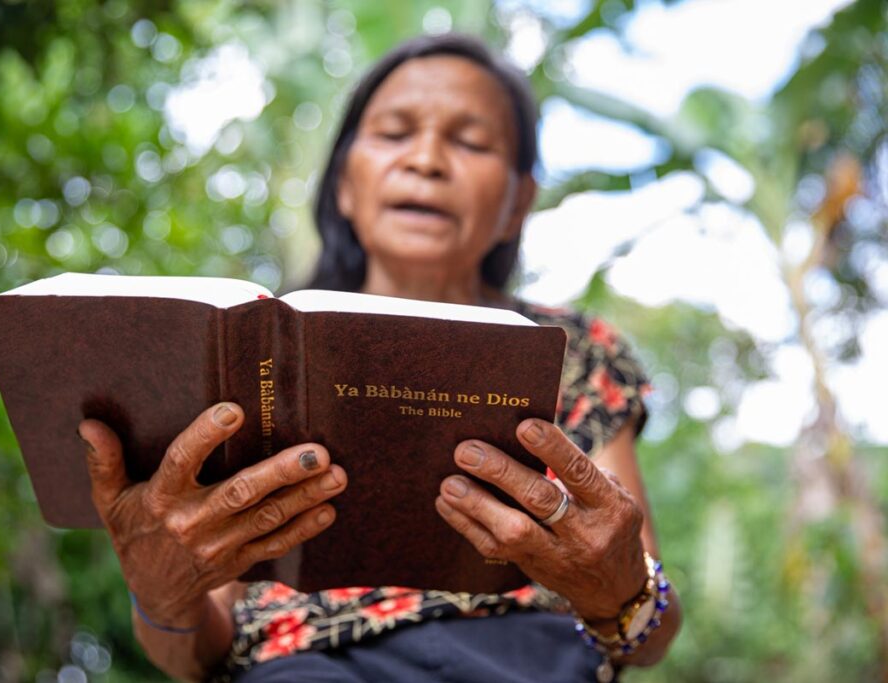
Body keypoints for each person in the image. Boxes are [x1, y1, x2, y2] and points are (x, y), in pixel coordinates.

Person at [78, 33, 682, 683]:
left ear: (518, 203)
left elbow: (649, 631)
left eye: (471, 142)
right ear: (344, 183)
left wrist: (621, 591)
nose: (425, 159)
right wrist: (163, 596)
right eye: (394, 133)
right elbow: (195, 652)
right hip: (303, 667)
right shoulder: (250, 355)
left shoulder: (580, 350)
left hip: (530, 656)